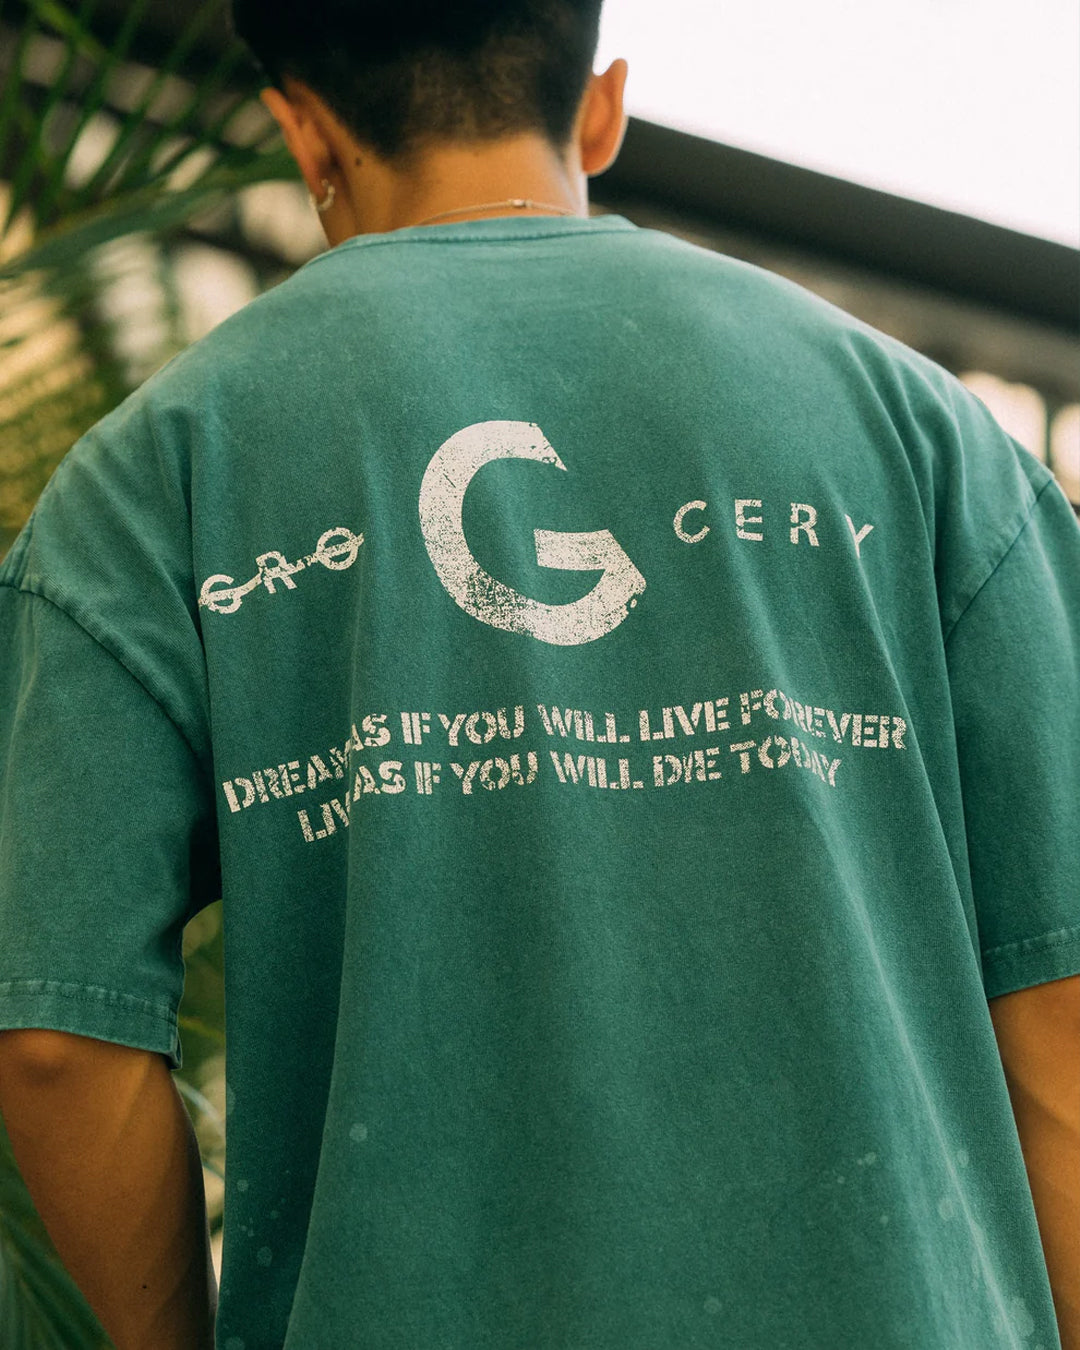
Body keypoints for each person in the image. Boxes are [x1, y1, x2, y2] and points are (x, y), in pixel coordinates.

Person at [0, 1, 1076, 1346]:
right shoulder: (926, 439)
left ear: (304, 131)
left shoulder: (149, 483)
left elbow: (57, 1046)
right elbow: (1062, 1018)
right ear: (603, 107)